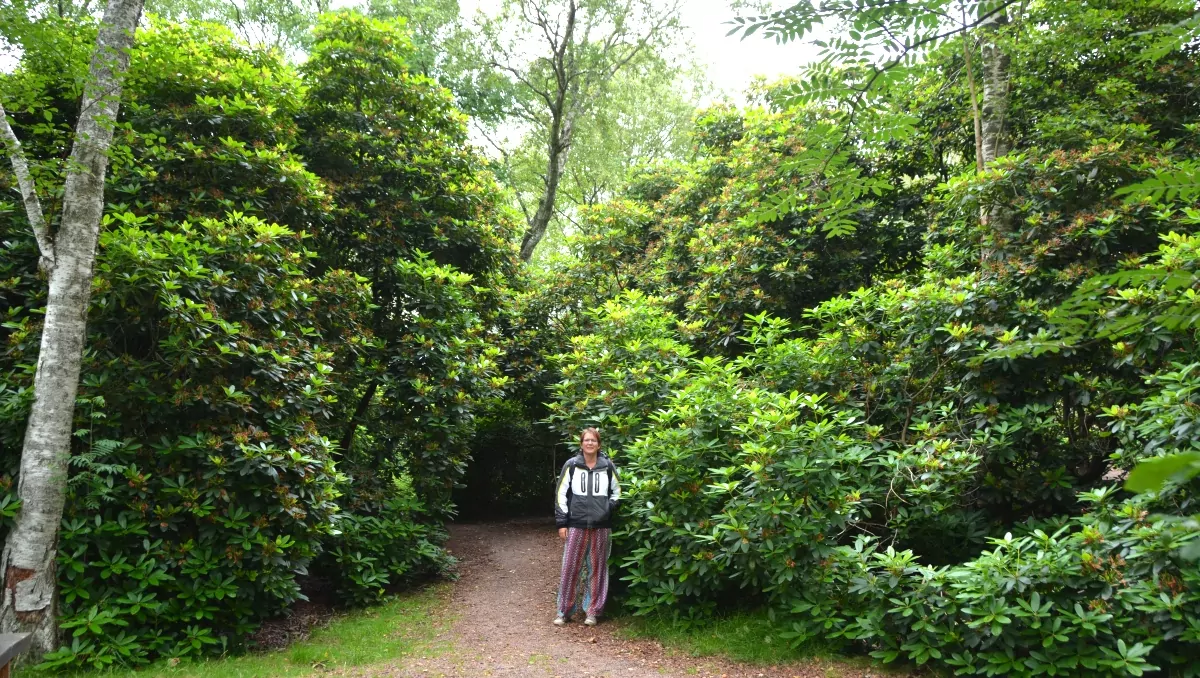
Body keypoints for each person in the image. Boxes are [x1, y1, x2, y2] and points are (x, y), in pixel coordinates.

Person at [552, 427, 620, 626]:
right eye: (586, 440)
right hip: (576, 524)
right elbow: (560, 495)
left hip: (601, 526)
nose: (590, 443)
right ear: (581, 444)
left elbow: (617, 492)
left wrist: (607, 509)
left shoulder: (607, 466)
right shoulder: (572, 465)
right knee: (570, 568)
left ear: (599, 444)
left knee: (597, 569)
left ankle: (592, 611)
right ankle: (564, 611)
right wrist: (562, 522)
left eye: (593, 440)